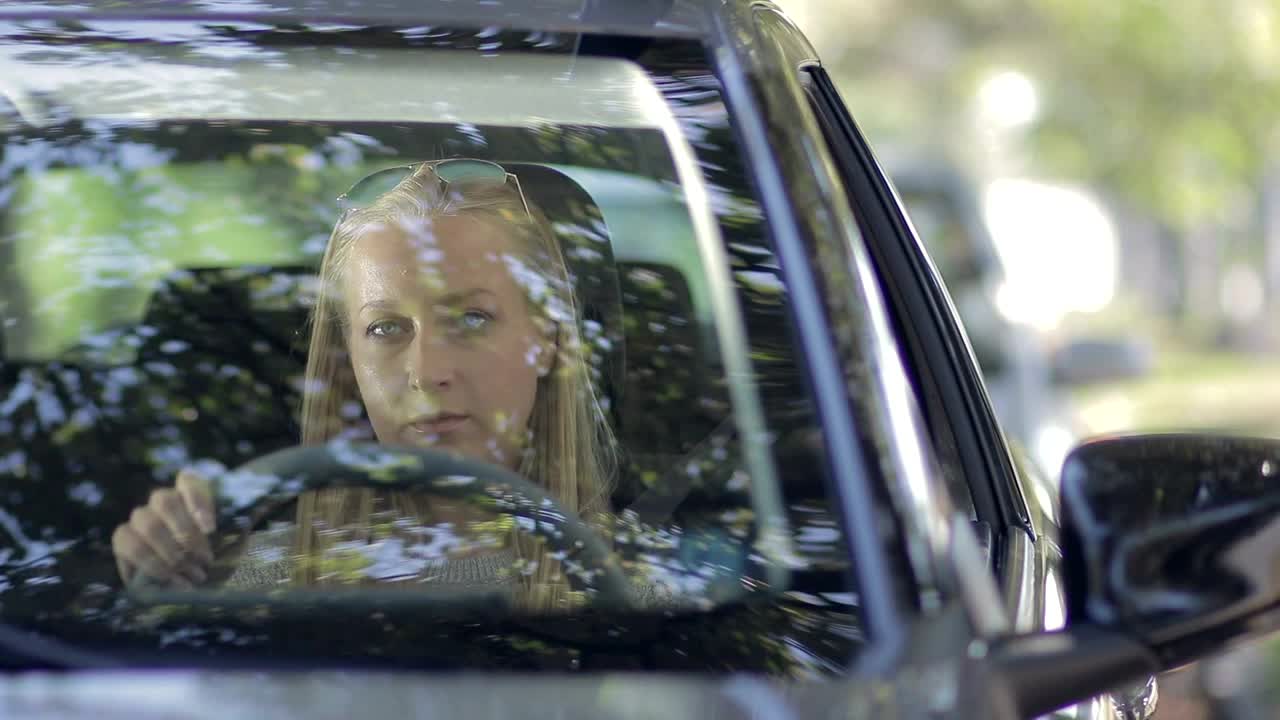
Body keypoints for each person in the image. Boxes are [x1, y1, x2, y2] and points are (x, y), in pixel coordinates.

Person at [111, 159, 620, 610]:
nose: (426, 371)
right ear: (349, 356)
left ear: (545, 338)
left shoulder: (646, 584)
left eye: (471, 318)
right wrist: (163, 582)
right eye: (385, 328)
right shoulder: (251, 583)